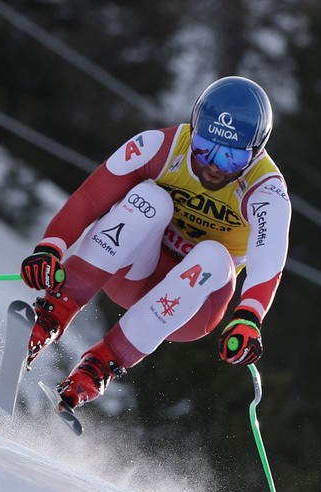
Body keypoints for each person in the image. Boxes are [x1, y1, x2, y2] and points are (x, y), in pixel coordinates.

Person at [19, 75, 292, 412]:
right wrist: (50, 247)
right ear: (193, 129)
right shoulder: (160, 147)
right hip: (133, 273)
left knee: (214, 256)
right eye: (204, 147)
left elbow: (270, 261)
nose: (211, 167)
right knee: (149, 198)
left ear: (256, 153)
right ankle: (50, 317)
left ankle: (102, 365)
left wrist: (249, 316)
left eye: (230, 159)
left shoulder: (268, 192)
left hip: (192, 306)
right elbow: (90, 198)